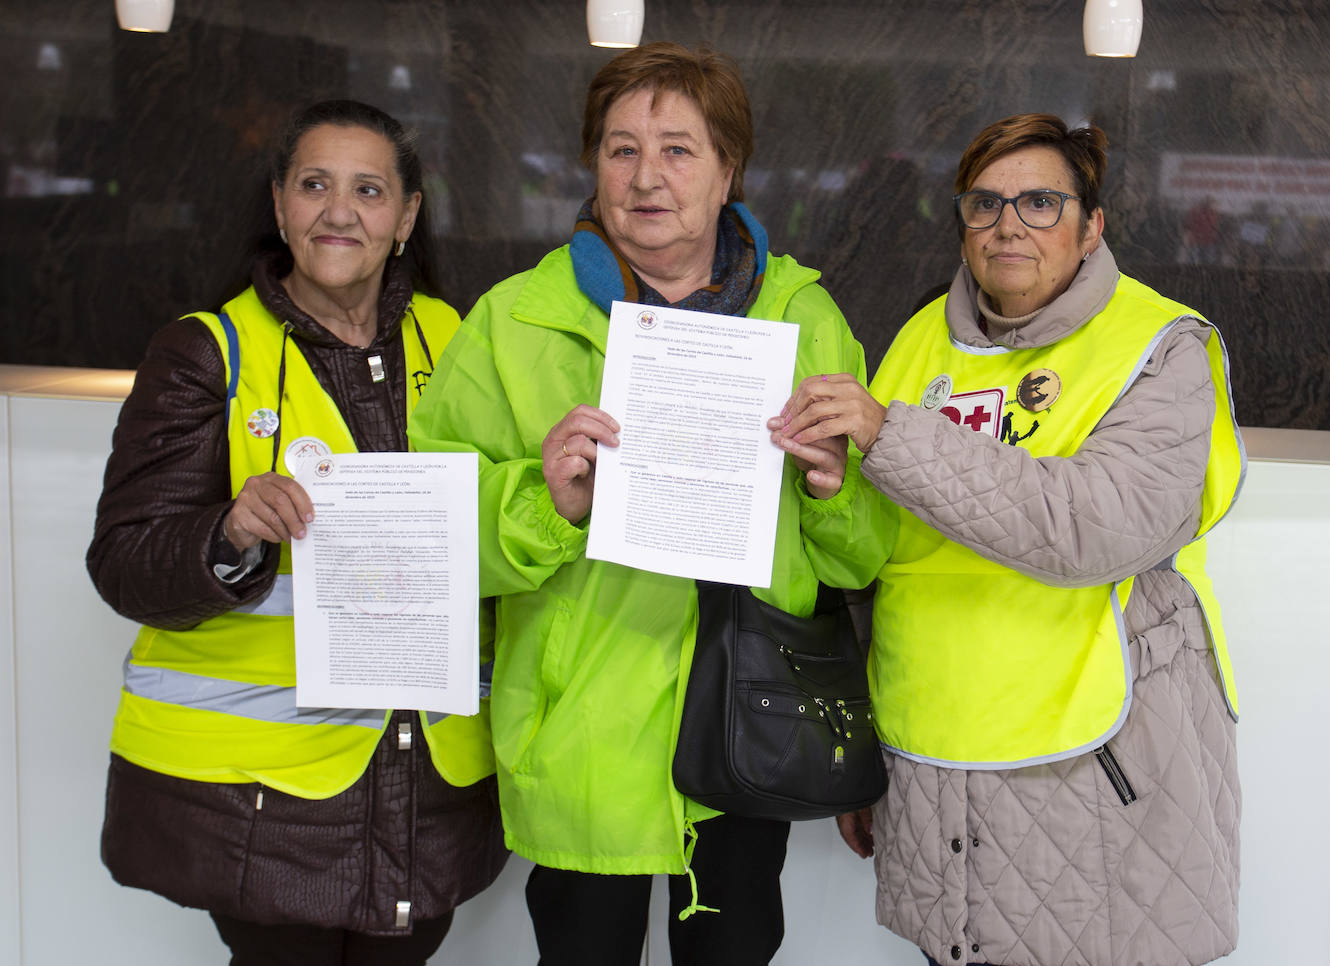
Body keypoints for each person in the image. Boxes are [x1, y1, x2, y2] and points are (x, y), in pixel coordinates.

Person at [409, 42, 894, 966]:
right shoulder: (514, 321)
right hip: (579, 725)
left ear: (726, 172)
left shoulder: (806, 319)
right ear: (592, 167)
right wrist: (542, 499)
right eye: (621, 149)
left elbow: (864, 554)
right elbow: (432, 529)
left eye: (678, 149)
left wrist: (834, 490)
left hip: (749, 724)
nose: (646, 177)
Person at [770, 113, 1245, 966]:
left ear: (1091, 224)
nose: (1007, 225)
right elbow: (879, 559)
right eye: (984, 204)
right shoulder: (921, 342)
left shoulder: (1160, 346)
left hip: (1091, 767)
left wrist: (891, 438)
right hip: (932, 759)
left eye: (1039, 201)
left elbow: (1094, 526)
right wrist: (861, 753)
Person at [87, 99, 507, 965]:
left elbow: (501, 521)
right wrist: (227, 532)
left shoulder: (456, 338)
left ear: (407, 217)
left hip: (426, 777)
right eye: (315, 185)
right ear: (280, 206)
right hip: (260, 798)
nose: (340, 210)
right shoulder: (207, 351)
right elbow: (124, 562)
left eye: (368, 189)